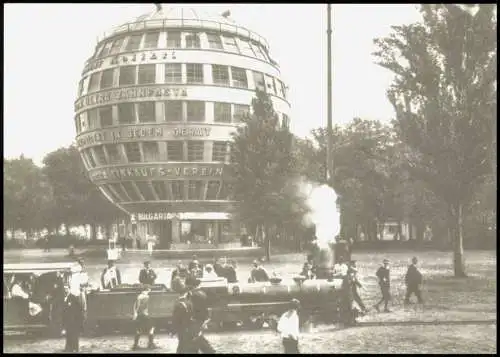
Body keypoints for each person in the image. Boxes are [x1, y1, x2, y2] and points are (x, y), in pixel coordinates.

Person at [62, 283, 84, 352]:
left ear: (69, 289)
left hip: (73, 320)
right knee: (68, 334)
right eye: (64, 289)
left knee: (74, 335)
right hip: (67, 320)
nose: (65, 290)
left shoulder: (73, 297)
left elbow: (78, 309)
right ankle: (68, 348)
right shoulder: (63, 298)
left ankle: (75, 348)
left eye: (67, 288)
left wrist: (77, 319)